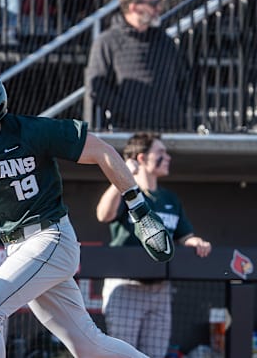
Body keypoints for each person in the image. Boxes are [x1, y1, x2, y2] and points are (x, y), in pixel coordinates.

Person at [0, 68, 174, 357]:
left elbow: (101, 150)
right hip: (17, 247)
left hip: (50, 236)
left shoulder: (31, 131)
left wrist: (138, 208)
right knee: (88, 345)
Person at [96, 132, 212, 358]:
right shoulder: (126, 193)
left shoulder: (170, 199)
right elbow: (103, 214)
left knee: (154, 354)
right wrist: (122, 176)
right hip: (126, 286)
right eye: (160, 153)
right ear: (141, 158)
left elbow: (184, 235)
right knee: (122, 354)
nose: (167, 157)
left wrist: (196, 241)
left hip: (160, 287)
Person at [84, 0, 193, 131]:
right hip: (130, 130)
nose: (158, 9)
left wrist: (177, 110)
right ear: (134, 7)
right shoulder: (108, 41)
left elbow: (182, 78)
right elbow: (97, 87)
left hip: (169, 127)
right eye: (153, 4)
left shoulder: (164, 40)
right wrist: (124, 110)